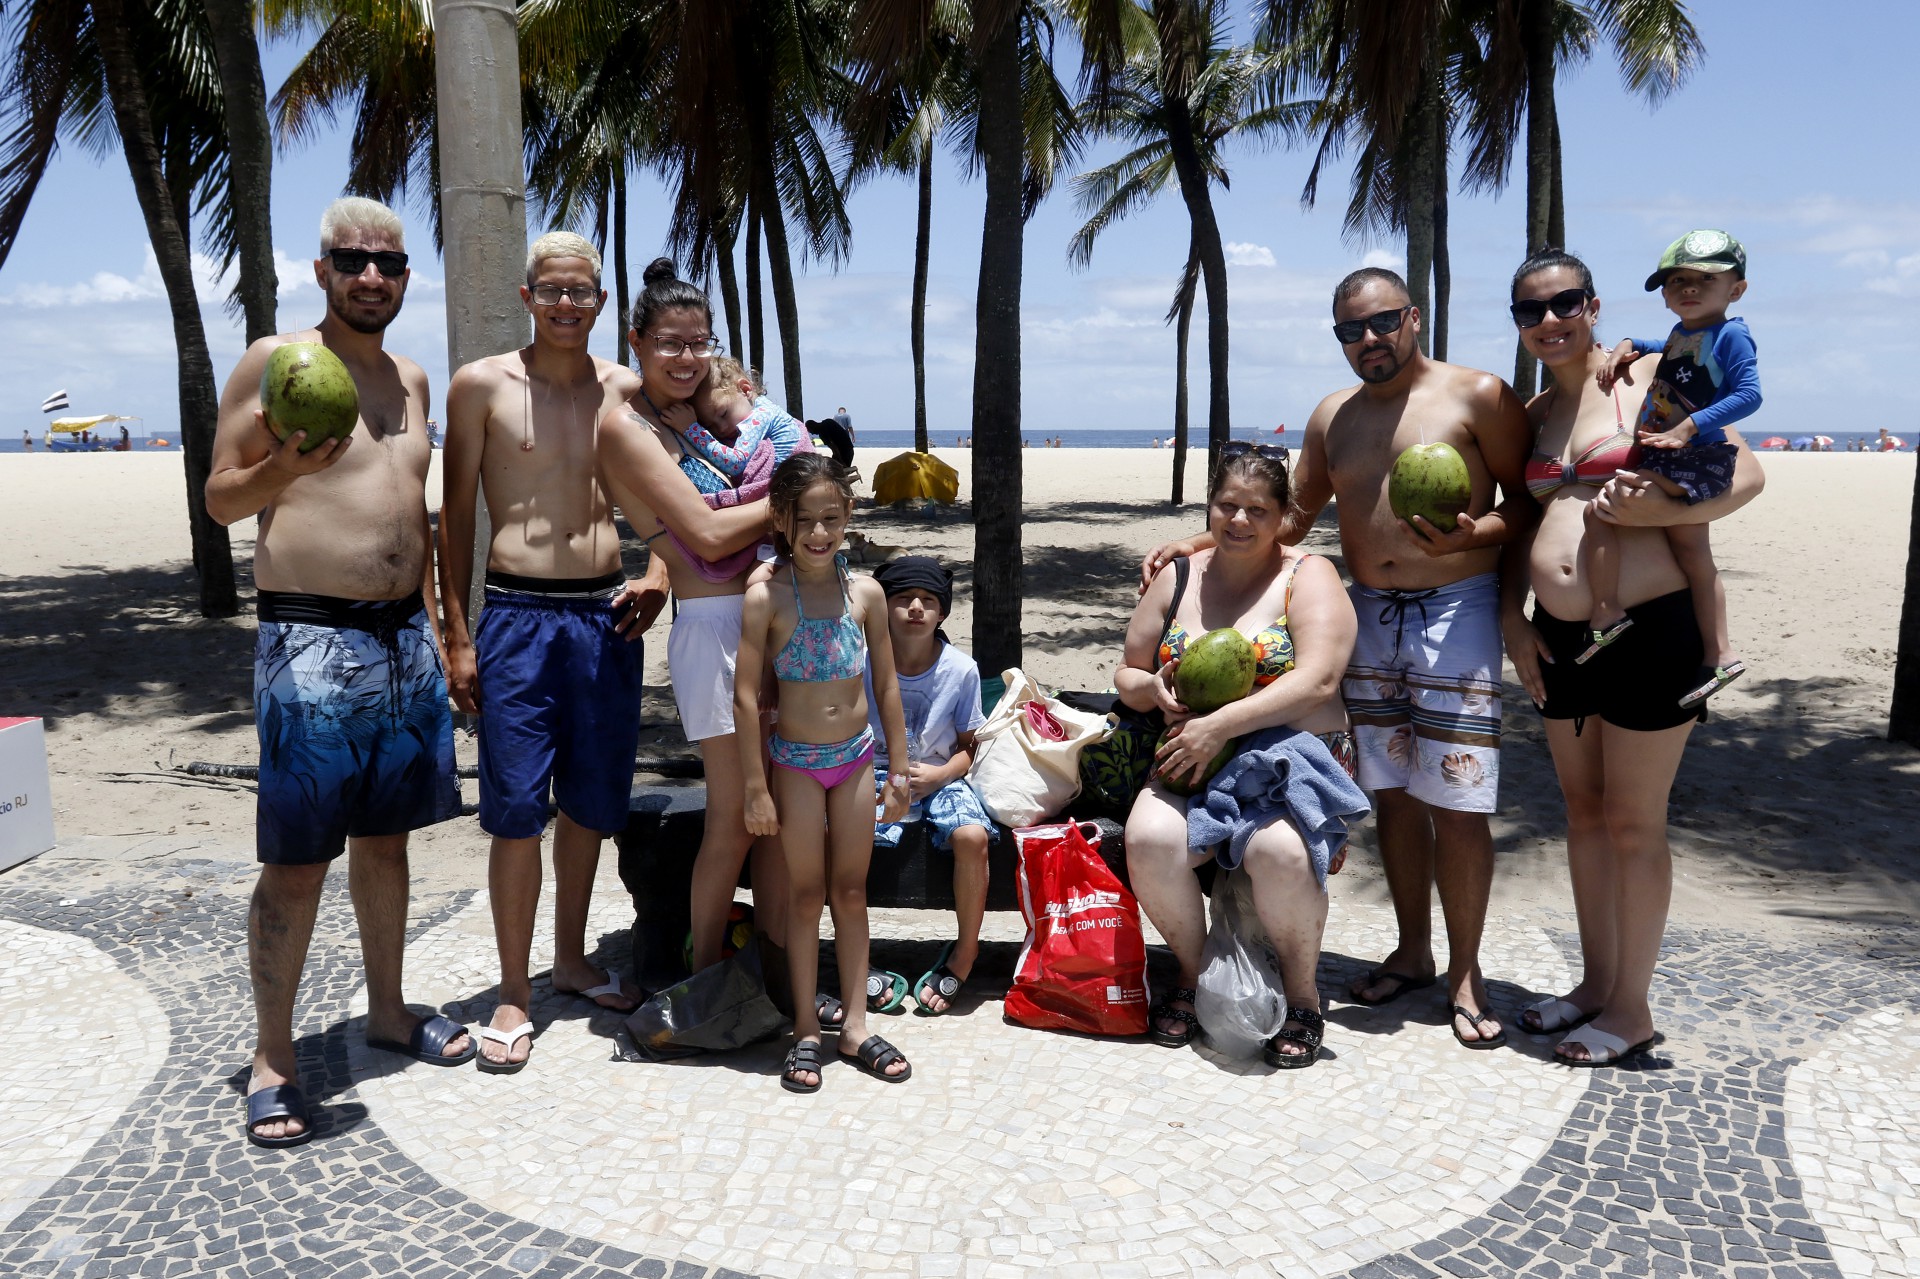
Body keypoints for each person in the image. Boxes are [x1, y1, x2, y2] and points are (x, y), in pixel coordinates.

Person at [1141, 267, 1533, 1049]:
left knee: (1458, 798)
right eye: (1350, 330)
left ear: (1413, 317)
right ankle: (1414, 950)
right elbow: (1293, 516)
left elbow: (1529, 501)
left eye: (1382, 322)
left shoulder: (1478, 394)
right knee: (1390, 790)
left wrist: (1473, 537)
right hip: (1368, 610)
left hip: (1455, 609)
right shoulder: (1334, 416)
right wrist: (1201, 541)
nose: (1368, 340)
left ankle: (1465, 973)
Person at [206, 197, 468, 1148]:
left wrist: (448, 629)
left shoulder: (410, 378)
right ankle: (274, 1059)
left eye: (389, 265)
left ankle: (389, 1010)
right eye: (354, 261)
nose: (372, 278)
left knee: (388, 842)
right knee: (298, 861)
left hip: (403, 641)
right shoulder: (276, 367)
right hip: (310, 642)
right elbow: (218, 500)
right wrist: (282, 467)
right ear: (321, 271)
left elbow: (419, 515)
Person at [1501, 248, 1764, 1064]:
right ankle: (1593, 985)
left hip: (1651, 628)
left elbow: (1747, 472)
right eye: (1529, 310)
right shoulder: (1537, 412)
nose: (1549, 320)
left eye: (1565, 302)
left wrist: (1656, 509)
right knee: (1582, 817)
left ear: (1594, 302)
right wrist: (1516, 620)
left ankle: (1631, 1007)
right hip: (1564, 636)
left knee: (1632, 822)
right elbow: (1518, 529)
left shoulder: (1649, 372)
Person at [438, 232, 670, 1074]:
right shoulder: (482, 385)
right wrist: (455, 634)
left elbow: (673, 495)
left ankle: (570, 958)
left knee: (589, 804)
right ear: (528, 294)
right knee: (513, 807)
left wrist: (661, 573)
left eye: (583, 293)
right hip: (516, 614)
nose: (567, 305)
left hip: (606, 614)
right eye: (553, 291)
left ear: (602, 303)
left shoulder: (628, 389)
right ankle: (512, 986)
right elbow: (454, 516)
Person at [1121, 445, 1365, 1067]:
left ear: (1283, 516)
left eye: (1258, 509)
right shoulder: (1179, 574)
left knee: (1279, 852)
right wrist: (1152, 689)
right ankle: (1193, 972)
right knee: (1149, 838)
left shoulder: (1308, 575)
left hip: (1291, 762)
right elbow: (1128, 669)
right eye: (1227, 505)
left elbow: (1318, 679)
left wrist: (1221, 723)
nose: (1239, 521)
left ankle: (1305, 997)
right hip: (1189, 757)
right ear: (1209, 506)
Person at [595, 260, 795, 982]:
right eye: (670, 344)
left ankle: (776, 973)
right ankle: (706, 977)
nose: (686, 357)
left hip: (777, 619)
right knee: (737, 815)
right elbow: (706, 539)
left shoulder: (710, 416)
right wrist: (804, 505)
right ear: (638, 342)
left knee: (781, 823)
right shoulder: (626, 429)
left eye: (699, 343)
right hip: (714, 627)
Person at [737, 454, 912, 1092]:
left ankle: (857, 1024)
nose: (818, 532)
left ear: (848, 517)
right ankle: (807, 1028)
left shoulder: (865, 594)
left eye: (830, 518)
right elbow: (745, 698)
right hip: (797, 766)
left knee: (853, 891)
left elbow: (887, 684)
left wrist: (898, 767)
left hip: (857, 758)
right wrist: (756, 787)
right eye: (804, 519)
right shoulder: (765, 598)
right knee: (806, 896)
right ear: (781, 520)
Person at [1586, 230, 1760, 706]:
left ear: (1736, 289)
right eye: (1678, 279)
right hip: (1667, 454)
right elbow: (1660, 346)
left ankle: (1608, 614)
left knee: (1605, 508)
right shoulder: (1685, 333)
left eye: (1705, 278)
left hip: (1694, 458)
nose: (1689, 287)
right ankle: (1718, 657)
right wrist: (1626, 344)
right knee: (1694, 561)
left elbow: (1750, 395)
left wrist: (1688, 429)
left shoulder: (1732, 335)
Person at [863, 555, 994, 1013]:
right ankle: (856, 956)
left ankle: (966, 951)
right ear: (882, 608)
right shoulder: (861, 663)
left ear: (942, 611)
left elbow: (970, 747)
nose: (916, 607)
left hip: (939, 777)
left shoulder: (960, 670)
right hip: (870, 774)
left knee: (973, 836)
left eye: (928, 600)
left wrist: (940, 775)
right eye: (903, 599)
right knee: (833, 834)